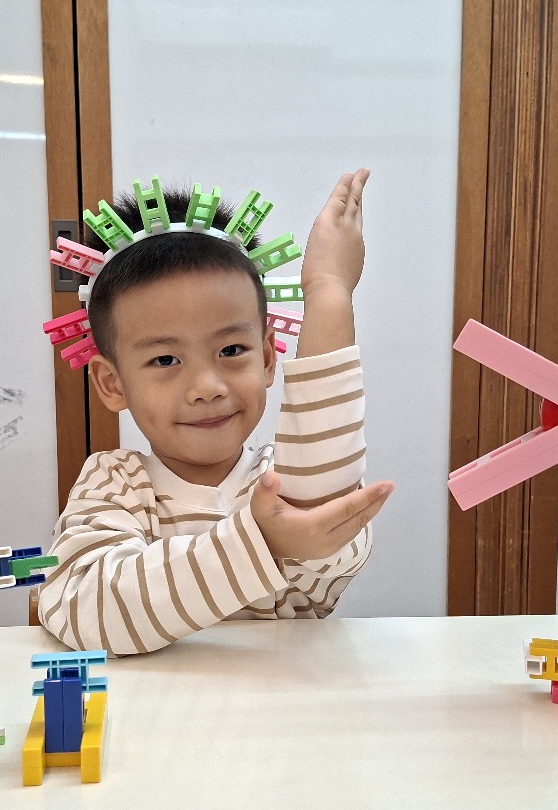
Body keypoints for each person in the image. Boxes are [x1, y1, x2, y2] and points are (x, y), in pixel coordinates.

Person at [38, 169, 392, 654]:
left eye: (230, 350)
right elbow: (86, 610)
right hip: (152, 705)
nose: (206, 387)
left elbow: (324, 517)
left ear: (267, 358)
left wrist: (329, 291)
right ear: (112, 382)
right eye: (165, 360)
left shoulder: (285, 480)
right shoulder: (114, 485)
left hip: (288, 699)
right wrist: (264, 541)